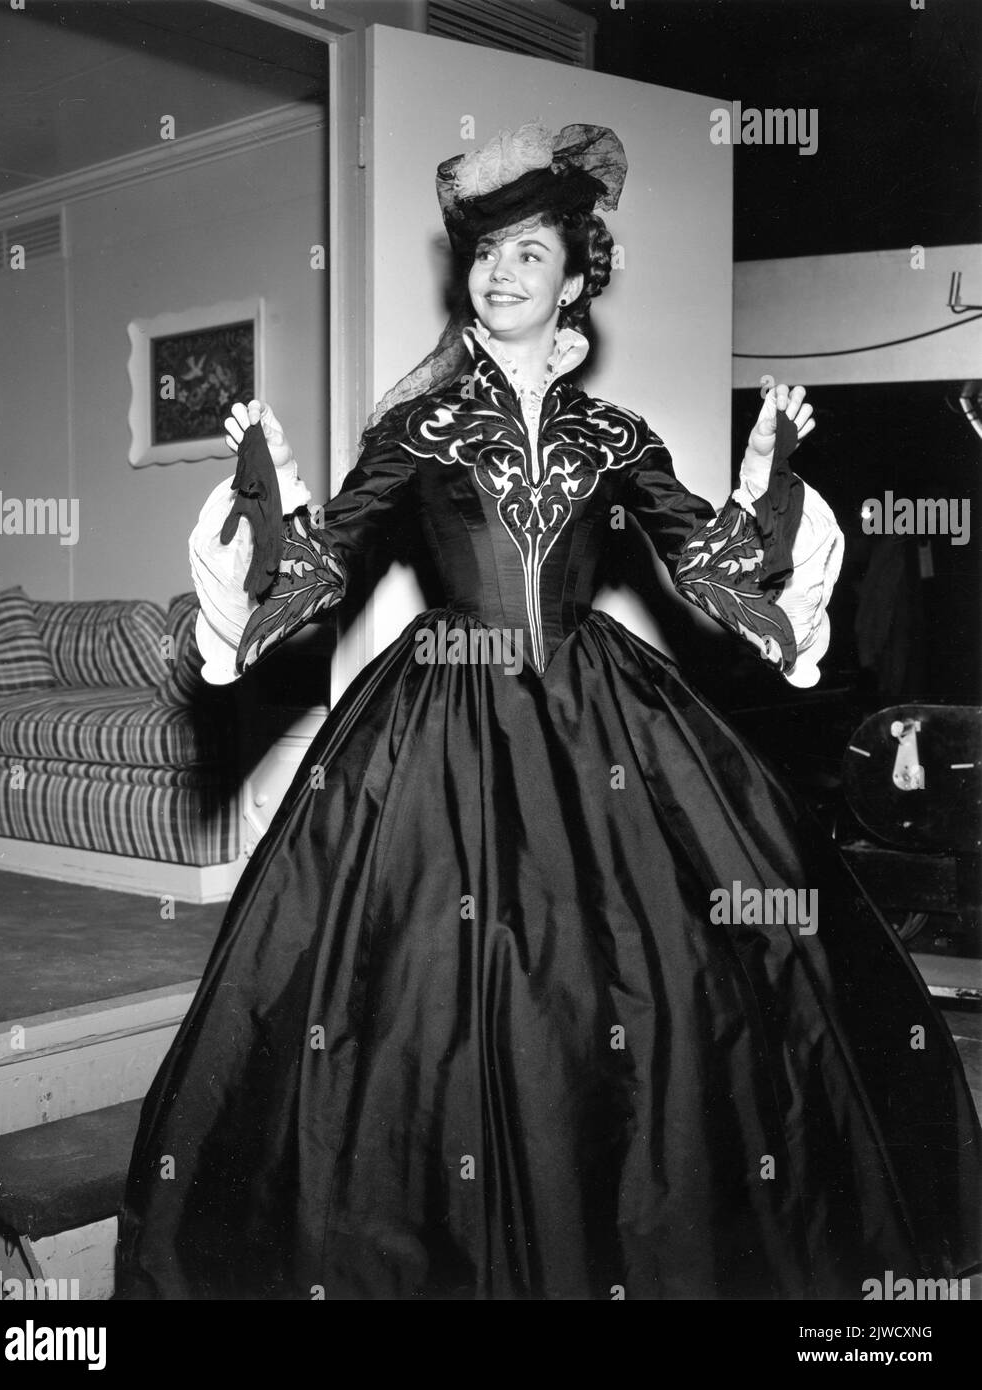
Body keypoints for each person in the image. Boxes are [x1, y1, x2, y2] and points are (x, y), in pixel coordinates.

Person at [117, 121, 981, 1301]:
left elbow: (714, 565)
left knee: (652, 983)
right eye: (486, 253)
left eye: (530, 253)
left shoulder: (616, 437)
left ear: (574, 277)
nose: (502, 271)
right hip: (438, 727)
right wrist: (263, 512)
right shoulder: (418, 428)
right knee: (414, 990)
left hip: (601, 719)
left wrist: (769, 483)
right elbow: (323, 564)